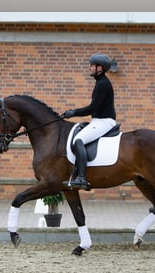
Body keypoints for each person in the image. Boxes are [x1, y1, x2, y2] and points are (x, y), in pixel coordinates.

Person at [63, 53, 117, 189]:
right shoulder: (100, 82)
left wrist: (74, 113)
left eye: (92, 65)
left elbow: (93, 107)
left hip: (104, 121)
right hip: (99, 121)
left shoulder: (103, 84)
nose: (90, 68)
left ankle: (81, 177)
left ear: (100, 68)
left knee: (78, 140)